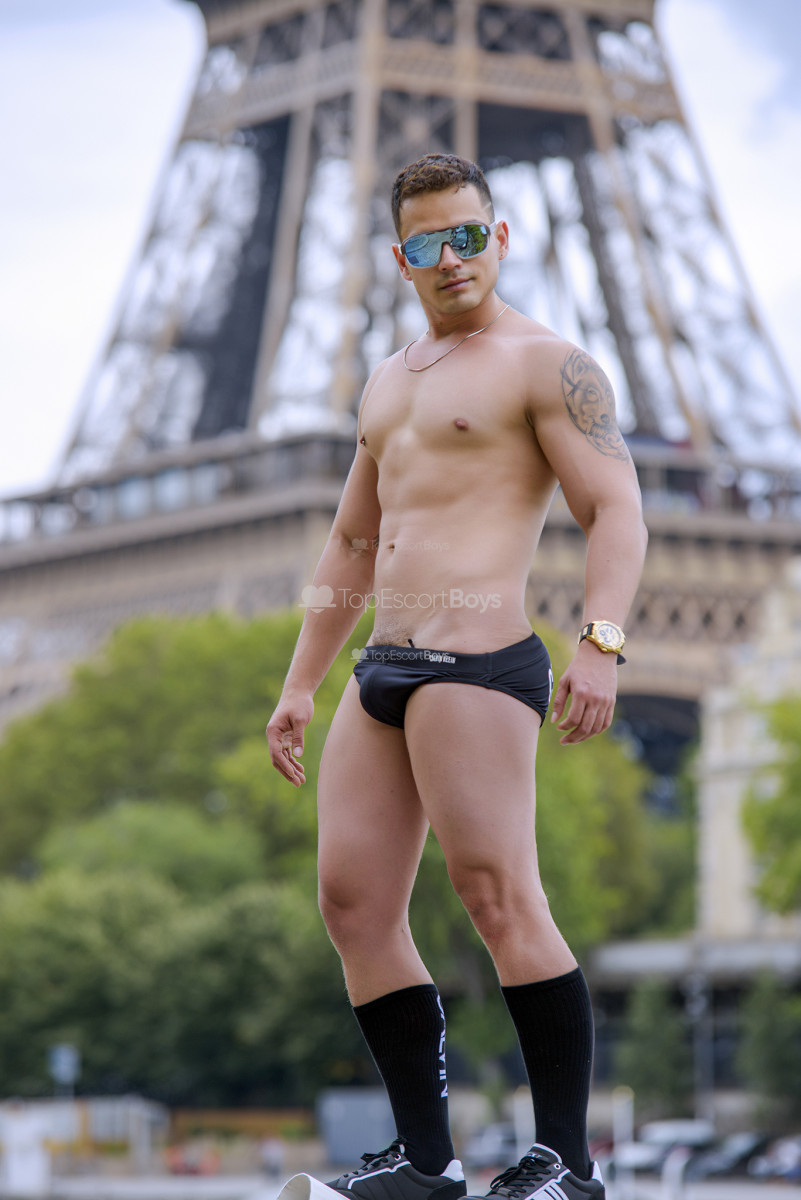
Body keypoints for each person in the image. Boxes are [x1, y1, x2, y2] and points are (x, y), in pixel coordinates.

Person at [266, 153, 647, 1200]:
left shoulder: (547, 364)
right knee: (352, 905)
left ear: (500, 238)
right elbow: (353, 541)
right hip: (381, 668)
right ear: (401, 258)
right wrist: (300, 682)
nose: (450, 259)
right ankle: (425, 1162)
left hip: (475, 662)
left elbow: (615, 508)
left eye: (466, 236)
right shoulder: (388, 379)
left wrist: (601, 644)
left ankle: (566, 1164)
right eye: (426, 243)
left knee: (497, 895)